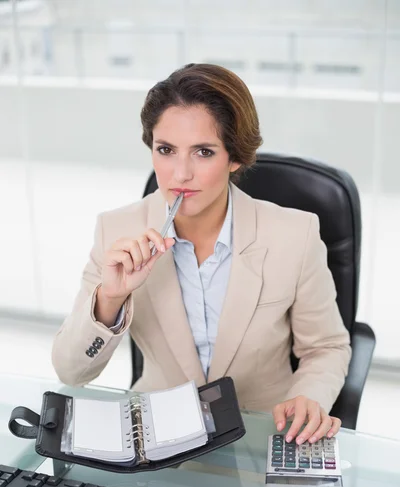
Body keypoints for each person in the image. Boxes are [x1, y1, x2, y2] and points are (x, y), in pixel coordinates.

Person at [52, 63, 351, 446]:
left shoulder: (295, 234)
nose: (180, 174)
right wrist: (111, 298)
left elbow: (326, 347)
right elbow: (71, 371)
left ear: (236, 157)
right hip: (159, 439)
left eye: (204, 152)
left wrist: (309, 395)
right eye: (166, 150)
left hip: (261, 434)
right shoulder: (117, 230)